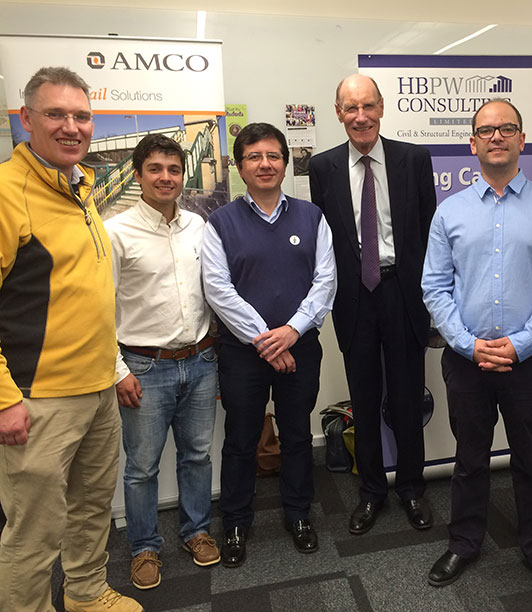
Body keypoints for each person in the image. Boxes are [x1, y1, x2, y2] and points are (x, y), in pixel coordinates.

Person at [422, 99, 532, 604]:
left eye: (506, 128)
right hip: (467, 363)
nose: (496, 137)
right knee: (470, 457)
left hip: (528, 362)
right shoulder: (450, 211)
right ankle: (465, 542)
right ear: (472, 143)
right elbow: (435, 288)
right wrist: (470, 346)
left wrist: (522, 343)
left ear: (521, 140)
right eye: (486, 130)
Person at [0, 67, 142, 612]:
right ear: (26, 119)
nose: (71, 126)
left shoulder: (80, 186)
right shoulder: (10, 193)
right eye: (56, 114)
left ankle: (85, 595)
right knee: (34, 533)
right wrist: (6, 398)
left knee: (90, 508)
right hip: (37, 401)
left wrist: (112, 369)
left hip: (97, 388)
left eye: (81, 116)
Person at [202, 123, 336, 565]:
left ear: (284, 162)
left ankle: (298, 514)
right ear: (240, 166)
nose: (265, 164)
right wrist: (267, 341)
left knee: (297, 435)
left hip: (301, 346)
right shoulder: (219, 223)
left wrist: (292, 332)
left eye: (273, 156)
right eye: (254, 157)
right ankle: (236, 523)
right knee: (241, 439)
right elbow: (218, 290)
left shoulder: (312, 217)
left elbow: (325, 282)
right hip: (244, 353)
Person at [308, 74, 436, 535]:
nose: (360, 116)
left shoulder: (413, 159)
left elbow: (428, 232)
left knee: (406, 396)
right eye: (350, 108)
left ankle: (412, 488)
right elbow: (328, 241)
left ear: (381, 107)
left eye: (368, 106)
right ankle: (371, 491)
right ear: (338, 112)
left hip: (403, 293)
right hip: (355, 297)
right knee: (363, 397)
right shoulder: (322, 168)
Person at [105, 134, 220, 591]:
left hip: (200, 358)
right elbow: (101, 309)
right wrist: (118, 370)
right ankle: (144, 547)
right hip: (143, 368)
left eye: (174, 169)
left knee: (197, 455)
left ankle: (195, 531)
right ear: (138, 175)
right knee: (142, 467)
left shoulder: (200, 226)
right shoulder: (117, 233)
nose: (166, 177)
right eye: (155, 169)